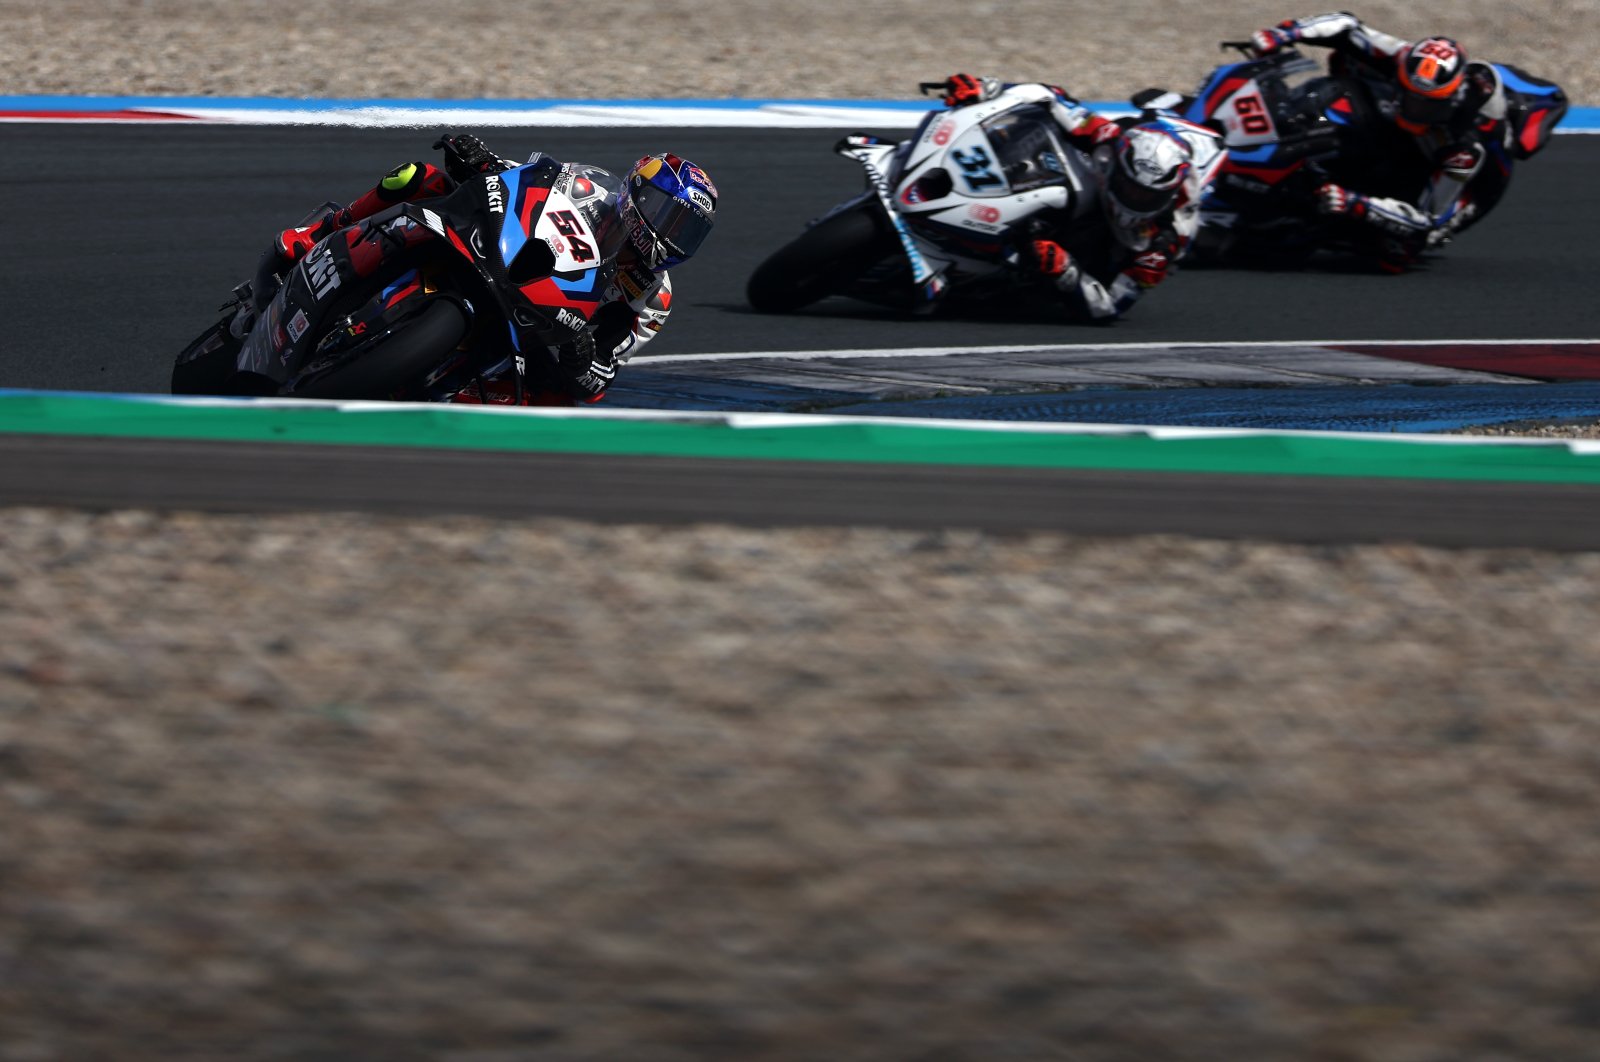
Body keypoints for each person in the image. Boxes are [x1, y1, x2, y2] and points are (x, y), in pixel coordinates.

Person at [264, 133, 716, 403]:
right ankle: (323, 232)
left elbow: (599, 380)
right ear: (635, 190)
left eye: (685, 229)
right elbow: (524, 181)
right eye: (664, 213)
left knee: (558, 405)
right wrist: (482, 162)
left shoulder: (652, 296)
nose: (668, 231)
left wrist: (582, 353)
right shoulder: (588, 187)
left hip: (544, 331)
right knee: (418, 177)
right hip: (504, 262)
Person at [1247, 12, 1566, 268]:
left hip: (1464, 188)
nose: (1414, 107)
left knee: (1397, 251)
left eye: (1427, 104)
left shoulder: (1465, 146)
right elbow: (1346, 26)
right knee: (1349, 70)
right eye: (1410, 96)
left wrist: (1357, 205)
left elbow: (1428, 217)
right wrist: (1285, 33)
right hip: (1421, 140)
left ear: (1450, 100)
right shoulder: (1403, 58)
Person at [940, 74, 1224, 321]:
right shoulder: (1112, 138)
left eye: (1145, 196)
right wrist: (987, 89)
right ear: (1117, 165)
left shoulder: (1164, 244)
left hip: (1113, 247)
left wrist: (1067, 271)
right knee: (1043, 134)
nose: (1133, 199)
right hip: (1132, 149)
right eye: (1128, 187)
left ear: (1168, 195)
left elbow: (1111, 306)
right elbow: (1050, 96)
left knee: (1028, 298)